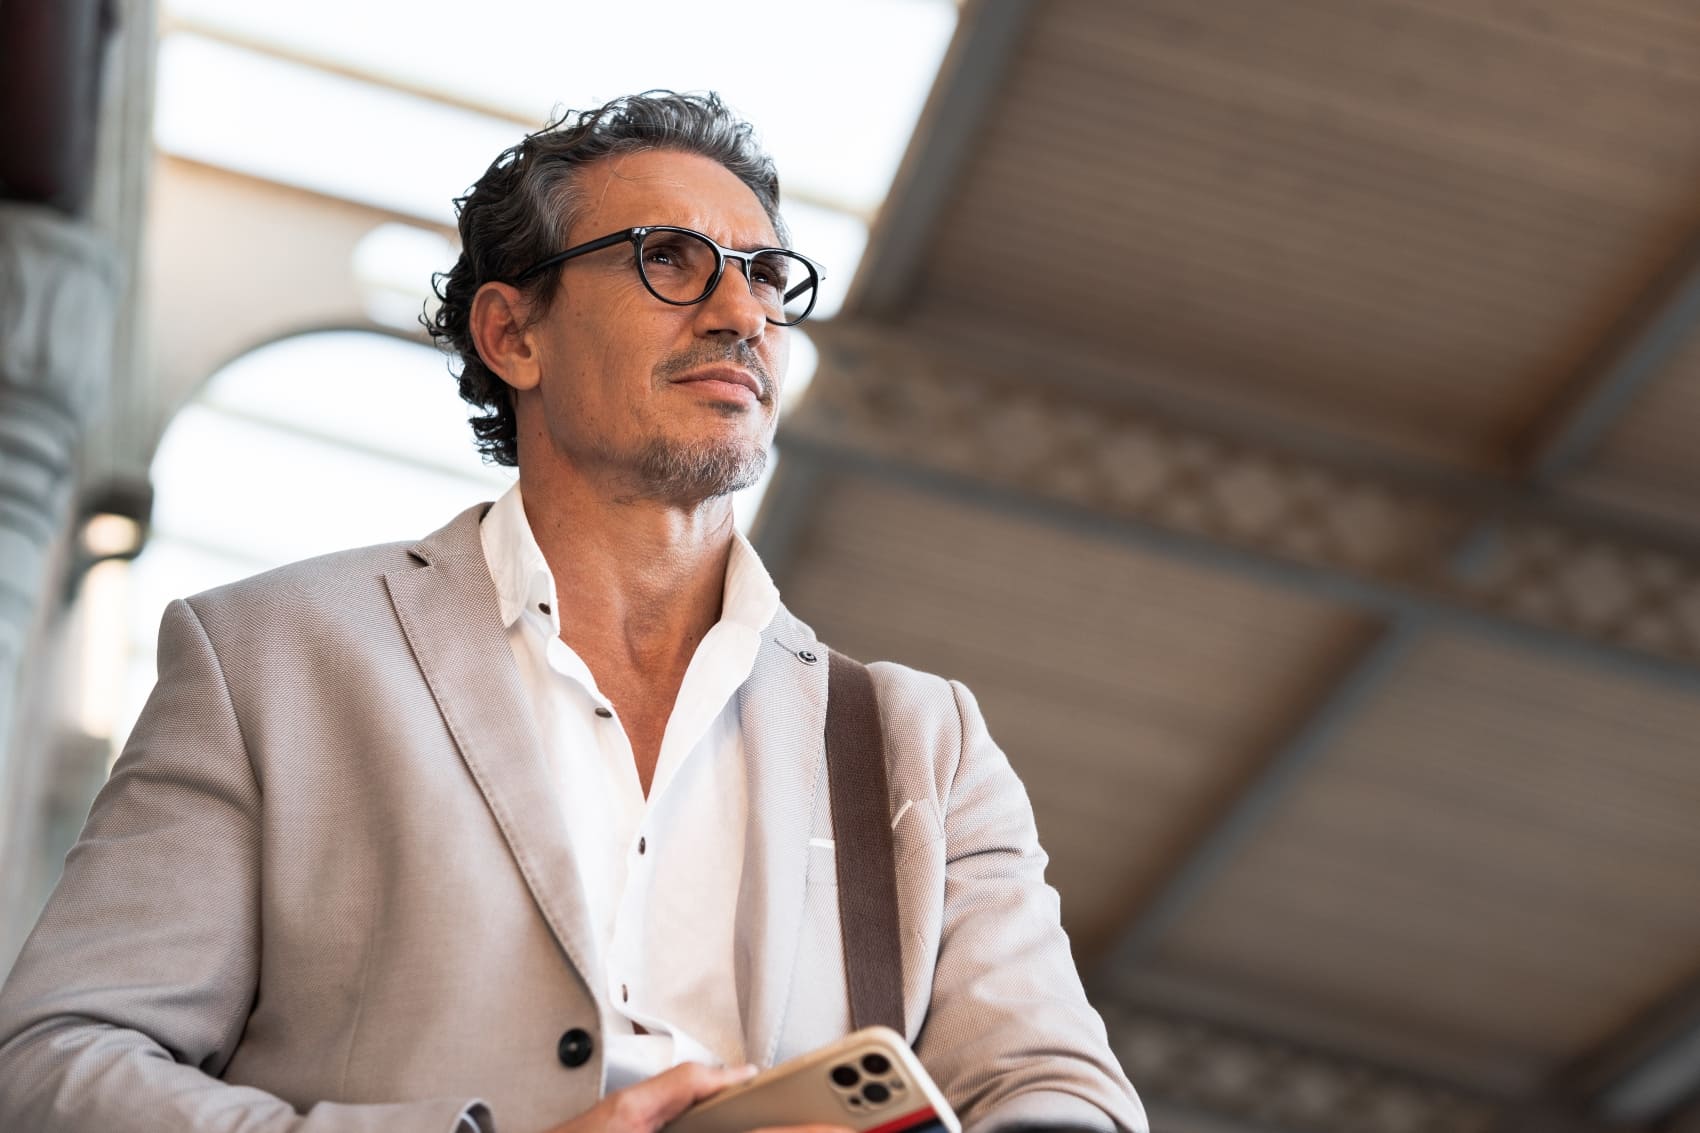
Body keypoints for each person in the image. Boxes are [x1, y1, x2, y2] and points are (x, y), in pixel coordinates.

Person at [0, 91, 1146, 1133]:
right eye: (669, 259)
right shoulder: (269, 657)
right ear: (513, 334)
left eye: (765, 274)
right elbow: (56, 1064)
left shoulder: (920, 743)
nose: (740, 311)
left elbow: (1060, 1089)